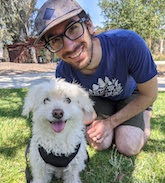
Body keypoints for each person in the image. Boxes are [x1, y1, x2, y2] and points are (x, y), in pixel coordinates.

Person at [34, 0, 158, 156]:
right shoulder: (63, 72)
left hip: (130, 95)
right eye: (55, 40)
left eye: (73, 29)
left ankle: (145, 115)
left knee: (128, 145)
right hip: (97, 99)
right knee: (100, 143)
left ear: (89, 25)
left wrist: (109, 123)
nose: (70, 46)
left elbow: (150, 94)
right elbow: (71, 109)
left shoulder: (129, 43)